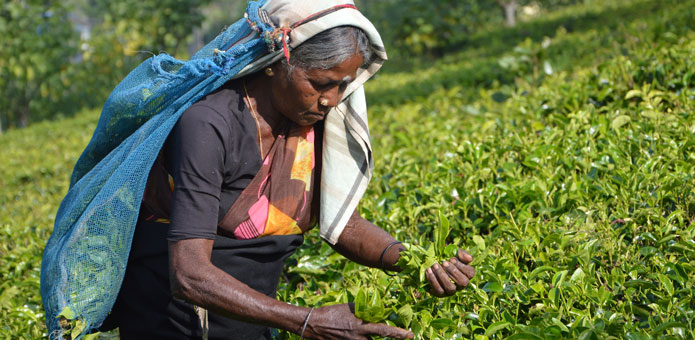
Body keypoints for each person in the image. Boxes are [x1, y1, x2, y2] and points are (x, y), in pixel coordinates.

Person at [100, 1, 476, 339]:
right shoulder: (209, 123)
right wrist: (308, 320)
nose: (330, 100)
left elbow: (342, 222)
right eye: (319, 84)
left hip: (256, 314)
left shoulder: (312, 118)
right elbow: (189, 274)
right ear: (276, 63)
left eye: (342, 86)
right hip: (172, 321)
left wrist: (419, 263)